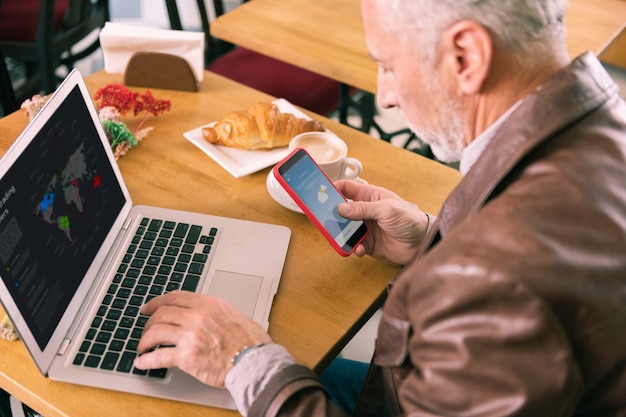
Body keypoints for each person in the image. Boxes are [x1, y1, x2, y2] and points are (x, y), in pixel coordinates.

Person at [133, 0, 626, 415]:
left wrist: (245, 360)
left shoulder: (494, 280)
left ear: (467, 56)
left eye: (388, 65)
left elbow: (507, 278)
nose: (385, 98)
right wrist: (431, 242)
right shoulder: (605, 124)